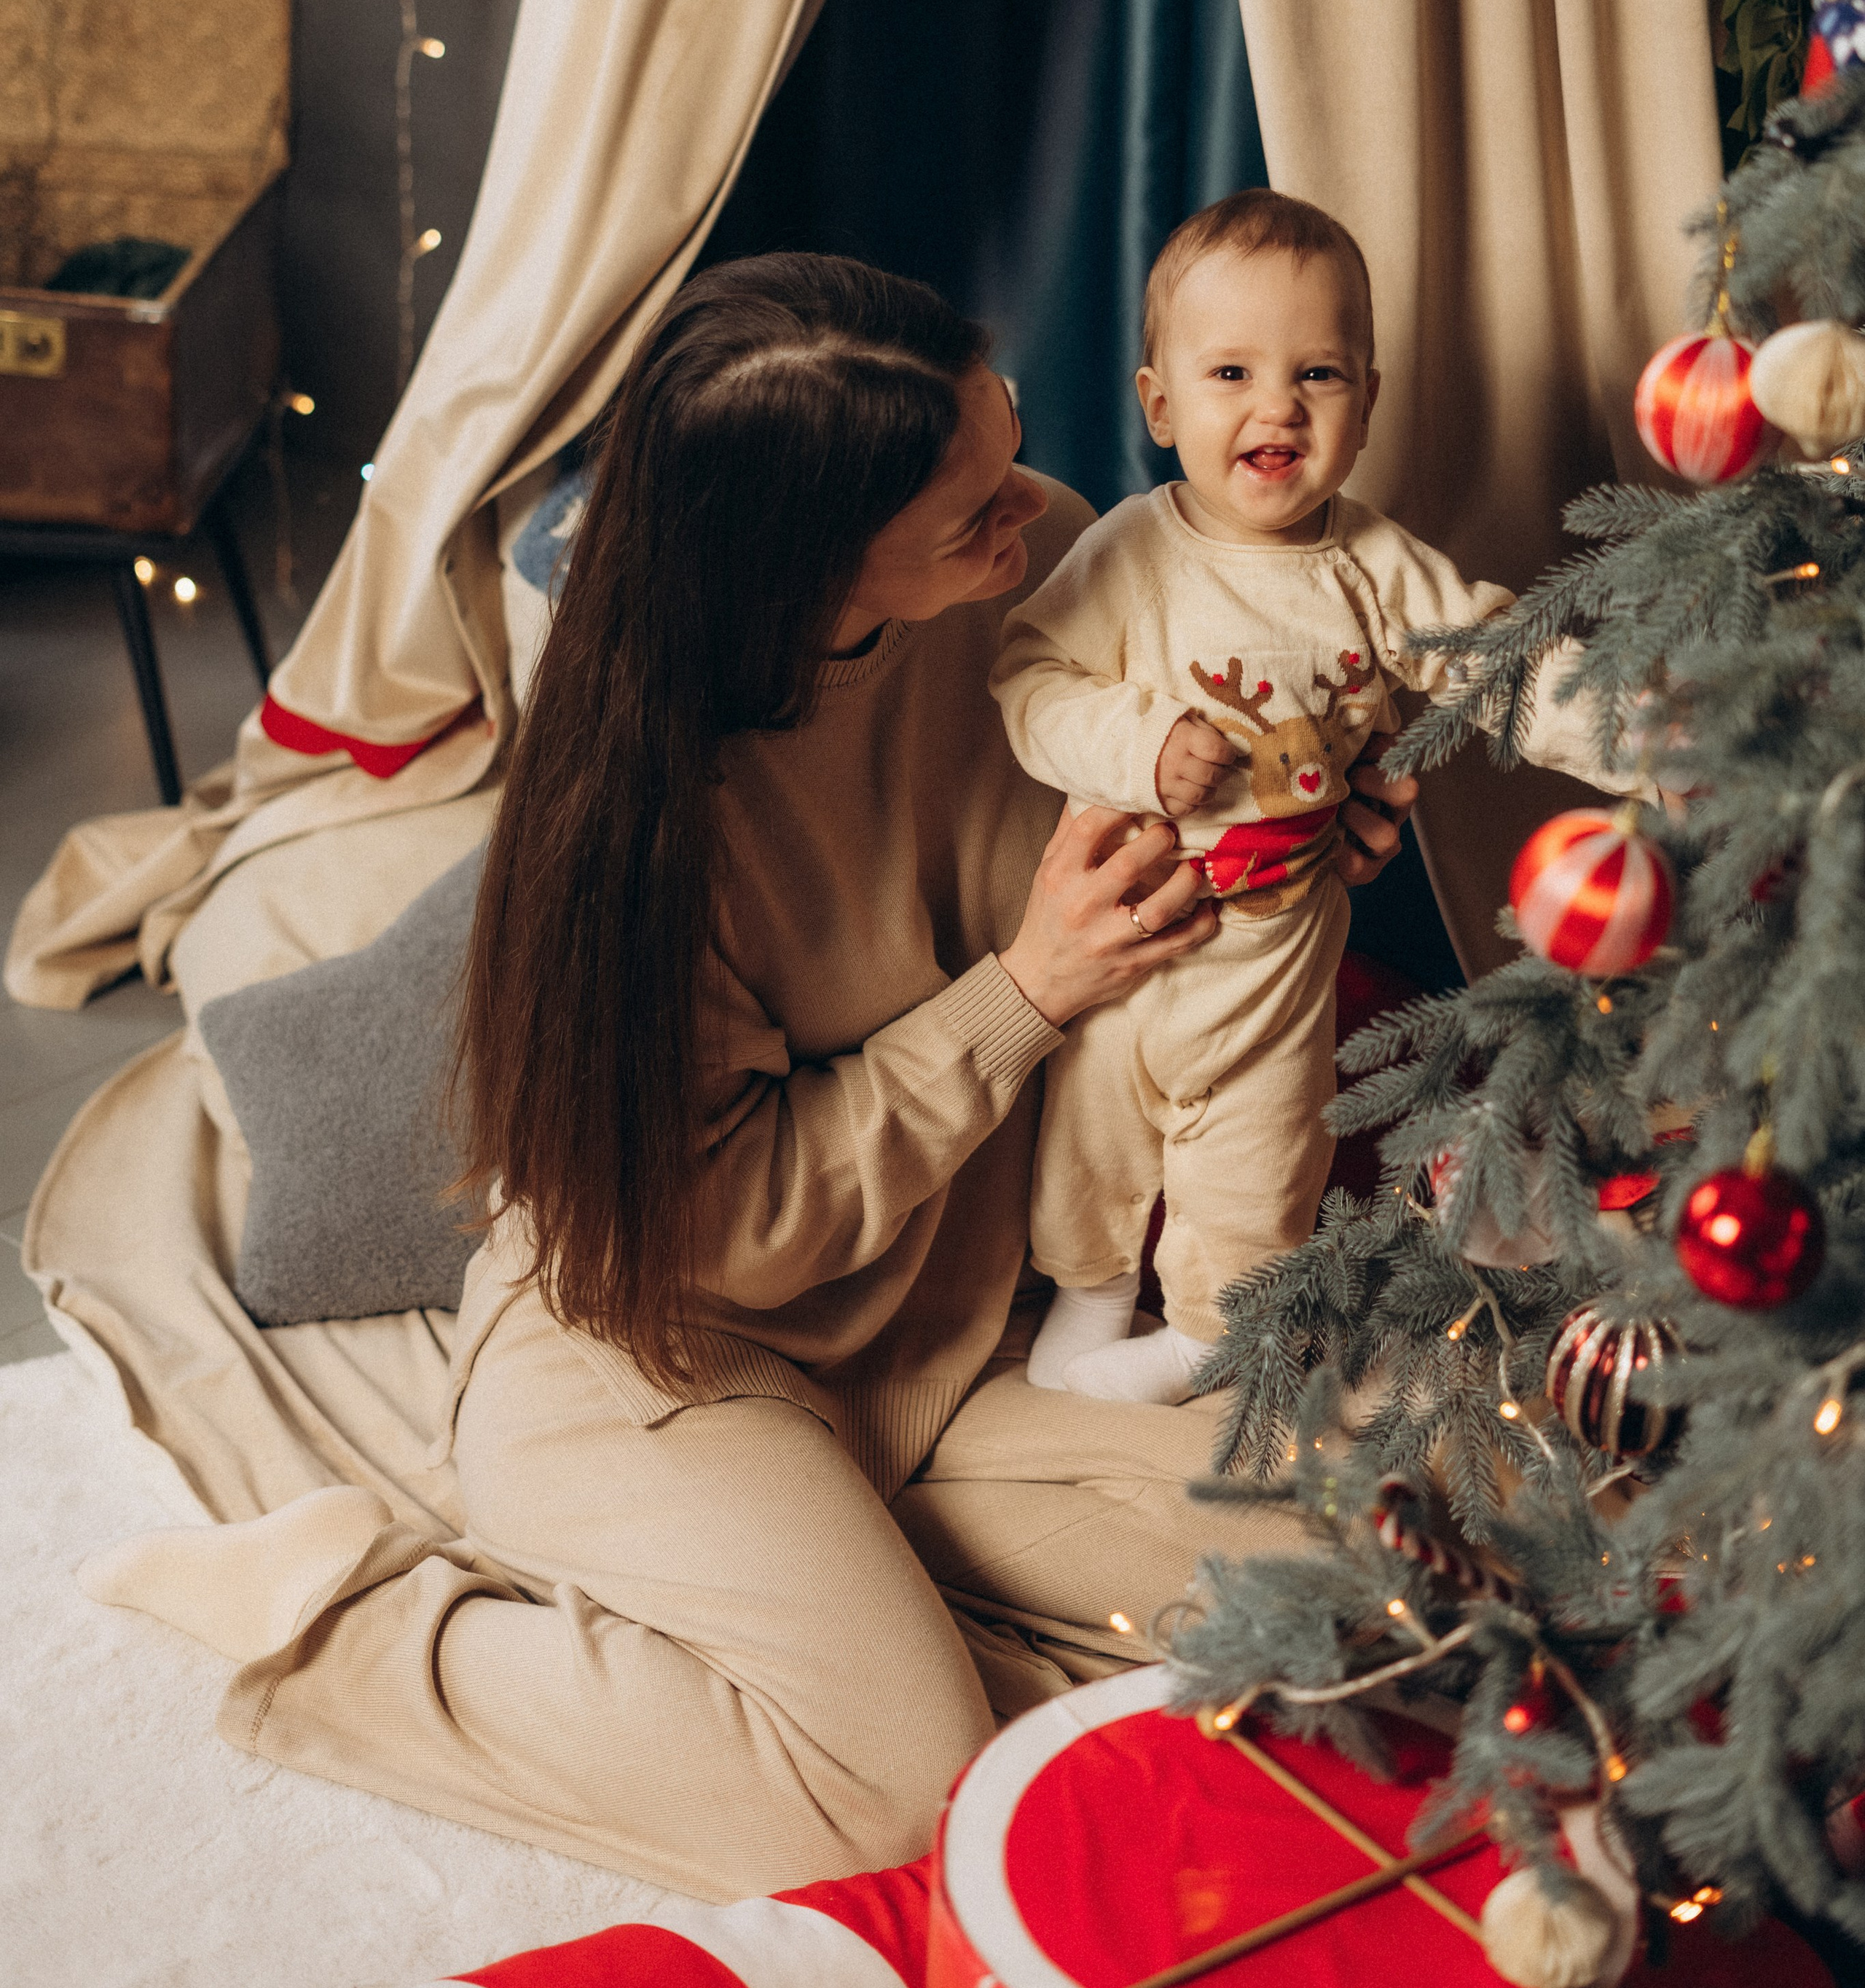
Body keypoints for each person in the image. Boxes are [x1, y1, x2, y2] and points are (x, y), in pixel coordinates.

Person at [82, 252, 1417, 1901]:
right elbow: (720, 1230)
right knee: (894, 1789)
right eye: (969, 510)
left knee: (1375, 1586)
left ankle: (856, 1583)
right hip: (664, 1344)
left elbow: (1190, 827)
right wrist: (1024, 990)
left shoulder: (1059, 561)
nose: (1029, 509)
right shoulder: (647, 826)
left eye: (1003, 446)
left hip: (957, 1335)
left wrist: (1306, 830)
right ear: (810, 567)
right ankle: (349, 1631)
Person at [993, 189, 1627, 1410]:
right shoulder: (1130, 553)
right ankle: (1082, 1308)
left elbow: (1497, 667)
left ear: (1367, 403)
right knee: (1086, 1167)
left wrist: (1642, 735)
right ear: (1161, 404)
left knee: (1252, 1196)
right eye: (1231, 371)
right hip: (1122, 949)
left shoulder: (1374, 568)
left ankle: (1199, 1348)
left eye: (1319, 373)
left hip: (1273, 971)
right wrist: (1139, 741)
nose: (1277, 406)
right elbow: (1027, 676)